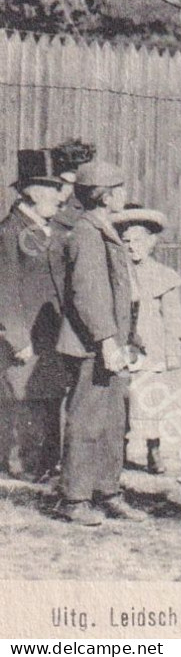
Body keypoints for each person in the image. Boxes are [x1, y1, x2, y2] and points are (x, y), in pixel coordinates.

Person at [55, 160, 144, 526]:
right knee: (87, 419)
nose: (124, 195)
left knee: (113, 421)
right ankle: (74, 499)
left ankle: (108, 492)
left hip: (112, 342)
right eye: (119, 188)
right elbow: (88, 293)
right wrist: (107, 340)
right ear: (105, 196)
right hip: (93, 345)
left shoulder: (103, 229)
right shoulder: (87, 233)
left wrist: (128, 339)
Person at [0, 148, 73, 482]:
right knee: (24, 398)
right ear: (31, 192)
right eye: (51, 189)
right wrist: (16, 339)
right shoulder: (9, 232)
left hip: (52, 333)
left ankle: (48, 464)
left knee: (50, 397)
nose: (59, 196)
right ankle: (23, 467)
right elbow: (5, 291)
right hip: (25, 337)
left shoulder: (52, 229)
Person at [114, 207, 181, 476]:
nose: (133, 247)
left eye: (139, 241)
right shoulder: (116, 274)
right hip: (123, 348)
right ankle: (118, 451)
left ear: (151, 242)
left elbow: (173, 317)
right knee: (121, 399)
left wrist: (173, 349)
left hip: (151, 348)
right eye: (127, 241)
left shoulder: (164, 276)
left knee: (152, 400)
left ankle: (153, 450)